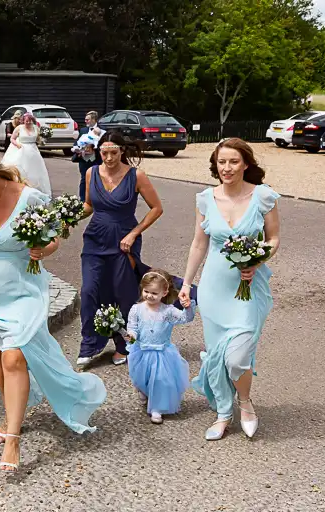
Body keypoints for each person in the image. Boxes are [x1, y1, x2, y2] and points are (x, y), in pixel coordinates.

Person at [0, 147, 106, 474]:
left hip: (25, 289)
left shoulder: (30, 198)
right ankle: (13, 416)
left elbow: (55, 239)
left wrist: (44, 248)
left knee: (14, 357)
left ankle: (13, 439)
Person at [178, 138, 280, 441]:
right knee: (216, 355)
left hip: (248, 287)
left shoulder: (263, 197)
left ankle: (245, 403)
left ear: (246, 164)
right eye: (222, 162)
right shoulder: (205, 199)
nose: (227, 168)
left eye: (233, 161)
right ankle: (223, 411)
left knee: (237, 357)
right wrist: (186, 283)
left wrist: (258, 260)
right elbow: (199, 243)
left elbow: (273, 239)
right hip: (213, 289)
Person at [78, 132, 164, 368]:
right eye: (103, 152)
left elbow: (156, 208)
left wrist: (134, 233)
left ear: (122, 151)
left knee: (121, 293)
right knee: (89, 290)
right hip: (95, 239)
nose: (108, 157)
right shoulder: (91, 173)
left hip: (124, 239)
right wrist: (66, 217)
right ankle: (89, 344)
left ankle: (123, 344)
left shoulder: (136, 175)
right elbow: (88, 205)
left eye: (113, 152)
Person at [125, 269, 194, 424]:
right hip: (141, 351)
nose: (149, 295)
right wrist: (131, 335)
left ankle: (157, 407)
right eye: (146, 291)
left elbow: (185, 318)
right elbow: (133, 327)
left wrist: (188, 307)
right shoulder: (137, 309)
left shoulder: (168, 311)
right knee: (141, 377)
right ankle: (144, 389)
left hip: (161, 353)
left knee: (160, 380)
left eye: (154, 293)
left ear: (164, 292)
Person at [1, 113, 52, 195]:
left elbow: (38, 139)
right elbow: (12, 139)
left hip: (33, 151)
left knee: (35, 169)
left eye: (30, 121)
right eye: (27, 121)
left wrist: (42, 141)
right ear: (23, 121)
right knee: (22, 168)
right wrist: (17, 144)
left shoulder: (36, 128)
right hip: (21, 150)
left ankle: (35, 188)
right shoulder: (19, 128)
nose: (28, 123)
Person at [72, 111, 103, 202]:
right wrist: (77, 149)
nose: (86, 121)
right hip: (84, 159)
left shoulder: (102, 130)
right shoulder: (83, 130)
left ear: (94, 120)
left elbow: (104, 144)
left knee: (98, 178)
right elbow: (77, 142)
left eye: (87, 119)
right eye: (85, 119)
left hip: (96, 159)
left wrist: (93, 148)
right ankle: (82, 199)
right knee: (84, 179)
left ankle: (97, 199)